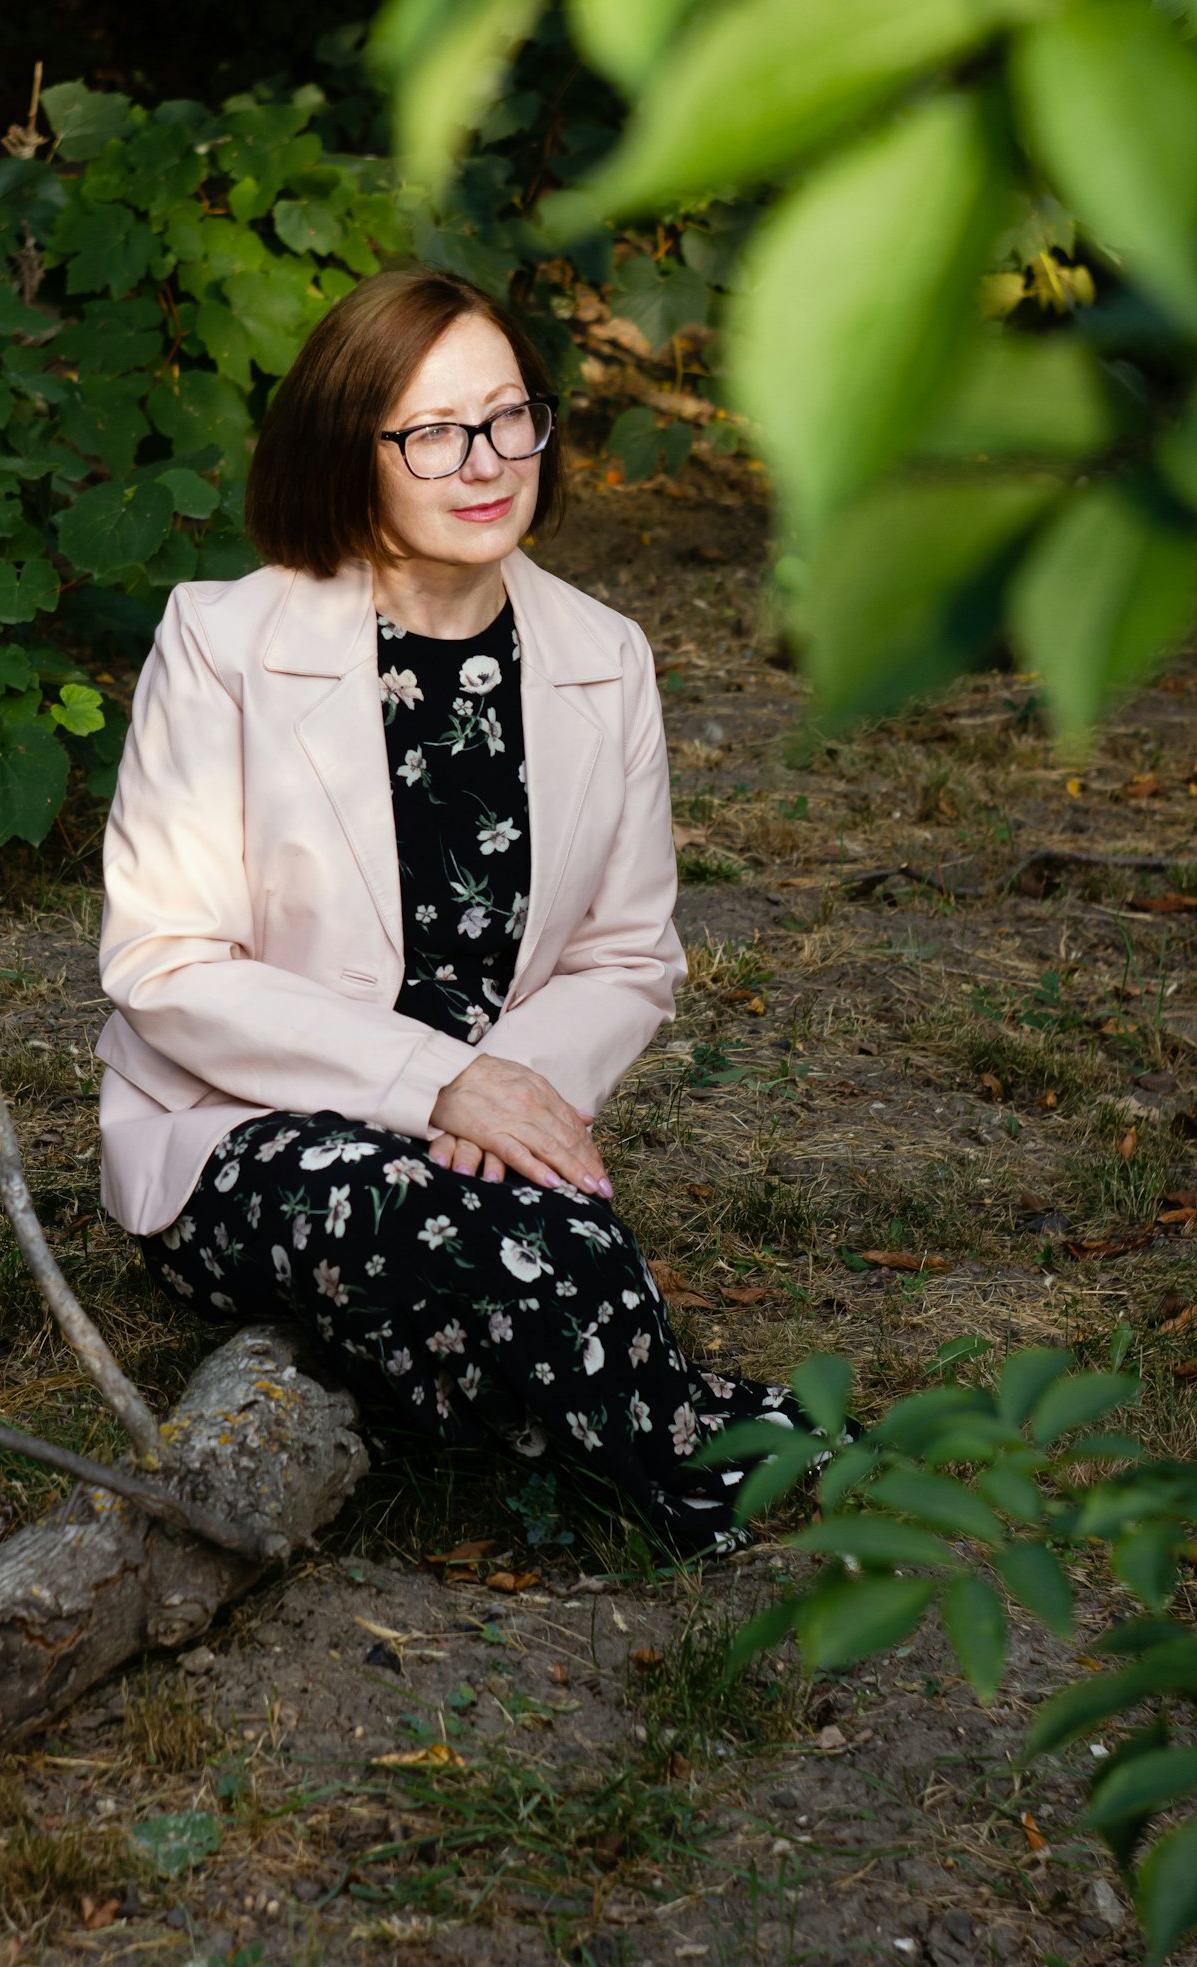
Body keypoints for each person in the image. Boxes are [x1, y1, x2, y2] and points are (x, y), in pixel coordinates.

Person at [95, 265, 808, 1556]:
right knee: (478, 1240)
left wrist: (497, 1094)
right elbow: (167, 963)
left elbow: (627, 953)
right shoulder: (223, 641)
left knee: (542, 1240)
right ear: (348, 448)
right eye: (431, 432)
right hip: (244, 1126)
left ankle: (556, 1411)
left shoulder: (605, 656)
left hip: (485, 1129)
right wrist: (437, 1084)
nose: (484, 462)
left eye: (507, 416)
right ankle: (696, 1472)